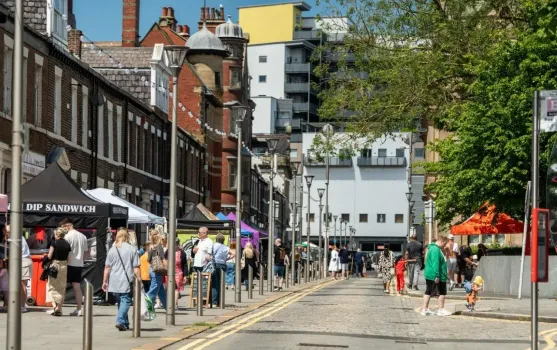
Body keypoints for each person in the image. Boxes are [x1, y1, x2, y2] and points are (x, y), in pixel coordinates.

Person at [102, 228, 140, 331]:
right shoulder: (132, 249)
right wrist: (139, 280)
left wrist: (104, 281)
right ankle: (120, 320)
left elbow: (107, 268)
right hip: (126, 279)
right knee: (126, 300)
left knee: (120, 301)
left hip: (114, 280)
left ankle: (125, 323)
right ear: (127, 237)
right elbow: (136, 268)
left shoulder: (112, 250)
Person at [60, 218, 88, 316]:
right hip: (79, 264)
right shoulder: (83, 236)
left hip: (68, 264)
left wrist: (65, 262)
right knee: (77, 287)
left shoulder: (67, 237)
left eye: (63, 227)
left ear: (68, 225)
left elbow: (66, 251)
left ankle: (58, 308)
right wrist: (82, 260)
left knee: (61, 286)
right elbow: (86, 252)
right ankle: (79, 309)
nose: (63, 229)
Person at [4, 224, 33, 313]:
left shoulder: (16, 238)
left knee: (22, 285)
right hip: (22, 261)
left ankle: (22, 306)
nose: (6, 234)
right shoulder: (17, 237)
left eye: (7, 232)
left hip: (23, 261)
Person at [422, 236, 450, 316]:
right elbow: (435, 263)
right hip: (436, 275)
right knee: (442, 292)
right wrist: (437, 275)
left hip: (431, 274)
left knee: (428, 291)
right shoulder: (436, 250)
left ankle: (425, 309)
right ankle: (441, 309)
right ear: (441, 241)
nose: (444, 246)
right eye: (444, 244)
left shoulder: (432, 248)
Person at [46, 227, 71, 316]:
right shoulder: (67, 244)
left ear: (57, 234)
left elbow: (49, 255)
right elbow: (69, 259)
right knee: (61, 287)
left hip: (55, 265)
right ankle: (59, 308)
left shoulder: (54, 242)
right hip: (64, 266)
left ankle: (54, 306)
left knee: (51, 286)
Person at [165, 238, 188, 309]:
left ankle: (174, 304)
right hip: (168, 272)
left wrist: (185, 275)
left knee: (176, 289)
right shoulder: (168, 251)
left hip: (178, 272)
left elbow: (185, 265)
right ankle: (173, 303)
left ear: (177, 244)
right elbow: (164, 260)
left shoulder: (182, 253)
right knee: (169, 289)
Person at [147, 230, 166, 309]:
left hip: (152, 269)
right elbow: (163, 258)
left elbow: (148, 259)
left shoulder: (150, 247)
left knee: (161, 290)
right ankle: (147, 306)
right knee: (153, 290)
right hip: (157, 270)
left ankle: (168, 306)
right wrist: (168, 267)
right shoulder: (159, 247)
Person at [211, 233, 229, 306]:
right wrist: (226, 259)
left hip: (215, 265)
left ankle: (214, 302)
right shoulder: (226, 247)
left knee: (215, 284)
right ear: (223, 240)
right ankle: (220, 301)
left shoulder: (213, 245)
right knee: (220, 284)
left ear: (216, 239)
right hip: (223, 265)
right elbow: (234, 253)